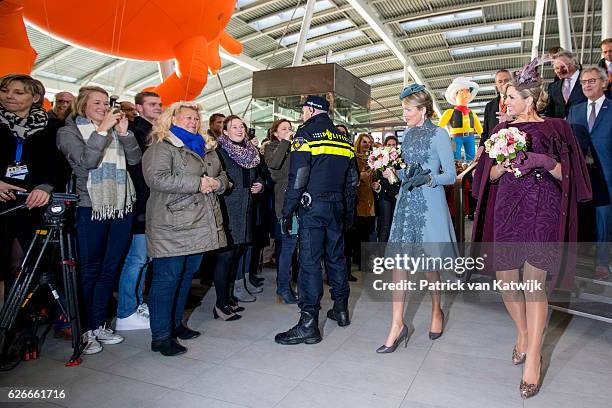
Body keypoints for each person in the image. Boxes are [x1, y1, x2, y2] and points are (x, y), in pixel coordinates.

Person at [471, 60, 591, 398]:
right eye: (504, 96)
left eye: (510, 96)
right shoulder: (498, 132)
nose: (504, 103)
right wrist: (505, 166)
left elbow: (570, 174)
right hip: (508, 208)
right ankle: (522, 332)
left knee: (534, 283)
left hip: (544, 208)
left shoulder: (557, 129)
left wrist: (543, 161)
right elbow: (486, 177)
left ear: (530, 99)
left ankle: (533, 357)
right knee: (506, 279)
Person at [57, 86, 142, 354]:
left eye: (106, 103)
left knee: (110, 268)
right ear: (82, 105)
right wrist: (103, 130)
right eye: (97, 102)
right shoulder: (68, 131)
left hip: (120, 206)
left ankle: (99, 324)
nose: (103, 107)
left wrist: (125, 133)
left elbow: (135, 158)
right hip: (90, 207)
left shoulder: (116, 130)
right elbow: (86, 163)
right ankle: (83, 329)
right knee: (90, 269)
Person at [142, 101, 228, 356]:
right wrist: (197, 183)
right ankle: (160, 335)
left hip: (200, 223)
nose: (193, 121)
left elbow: (223, 176)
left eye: (195, 118)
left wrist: (217, 183)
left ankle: (176, 324)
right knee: (167, 279)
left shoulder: (205, 147)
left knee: (185, 276)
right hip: (172, 223)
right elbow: (156, 178)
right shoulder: (162, 146)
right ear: (172, 120)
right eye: (187, 117)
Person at [377, 84, 456, 353]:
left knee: (427, 264)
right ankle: (397, 324)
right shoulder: (408, 135)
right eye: (404, 109)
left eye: (408, 110)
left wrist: (431, 178)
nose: (404, 114)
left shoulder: (439, 135)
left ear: (423, 110)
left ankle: (437, 309)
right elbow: (409, 169)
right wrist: (395, 175)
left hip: (429, 203)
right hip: (406, 201)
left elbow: (451, 175)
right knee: (399, 262)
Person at [274, 95, 358, 345]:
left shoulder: (305, 135)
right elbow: (352, 181)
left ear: (310, 110)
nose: (301, 115)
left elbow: (299, 176)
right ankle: (340, 310)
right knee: (336, 258)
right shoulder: (343, 139)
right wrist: (348, 211)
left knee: (310, 262)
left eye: (303, 110)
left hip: (312, 207)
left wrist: (287, 211)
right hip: (337, 207)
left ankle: (308, 324)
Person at [0, 74, 64, 298]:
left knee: (23, 265)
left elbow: (58, 164)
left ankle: (16, 327)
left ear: (35, 96)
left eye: (18, 92)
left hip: (30, 204)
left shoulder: (51, 126)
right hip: (1, 200)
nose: (9, 96)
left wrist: (45, 186)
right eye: (5, 90)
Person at [115, 91, 162, 331]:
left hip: (151, 204)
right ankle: (125, 311)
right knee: (136, 259)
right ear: (139, 107)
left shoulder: (155, 132)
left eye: (160, 104)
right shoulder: (135, 132)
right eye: (153, 104)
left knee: (144, 259)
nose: (158, 107)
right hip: (140, 204)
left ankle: (136, 304)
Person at [212, 115, 264, 318]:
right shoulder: (219, 152)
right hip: (227, 209)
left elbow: (258, 175)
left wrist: (261, 184)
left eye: (241, 126)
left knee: (236, 257)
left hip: (246, 209)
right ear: (225, 131)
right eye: (234, 127)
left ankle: (228, 298)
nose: (239, 129)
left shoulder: (251, 153)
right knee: (225, 257)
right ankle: (220, 304)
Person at [567, 67, 612, 279]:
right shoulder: (574, 111)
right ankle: (575, 262)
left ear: (604, 83)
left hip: (606, 174)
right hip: (581, 175)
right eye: (583, 82)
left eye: (592, 81)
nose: (586, 85)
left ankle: (602, 262)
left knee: (604, 219)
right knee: (579, 218)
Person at [264, 119, 299, 304]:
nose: (288, 131)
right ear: (275, 133)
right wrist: (285, 141)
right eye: (283, 129)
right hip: (284, 203)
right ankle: (283, 287)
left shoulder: (296, 147)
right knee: (287, 246)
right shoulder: (272, 147)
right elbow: (274, 165)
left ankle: (293, 283)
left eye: (290, 128)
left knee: (295, 246)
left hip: (299, 201)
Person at [438, 77, 483, 161]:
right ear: (456, 94)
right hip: (454, 138)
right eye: (463, 91)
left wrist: (485, 139)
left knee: (471, 157)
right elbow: (439, 127)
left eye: (468, 91)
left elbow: (480, 130)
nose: (466, 94)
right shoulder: (449, 112)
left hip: (470, 137)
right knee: (453, 157)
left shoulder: (472, 113)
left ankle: (469, 172)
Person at [477, 69, 512, 159]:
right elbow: (485, 131)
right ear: (496, 85)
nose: (503, 83)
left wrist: (513, 119)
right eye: (500, 81)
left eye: (506, 80)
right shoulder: (489, 106)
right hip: (494, 151)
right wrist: (481, 147)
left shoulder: (520, 100)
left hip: (514, 148)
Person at [354, 133, 376, 272]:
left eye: (369, 142)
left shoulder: (373, 160)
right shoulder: (354, 159)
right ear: (359, 143)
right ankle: (359, 261)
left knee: (368, 232)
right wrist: (359, 177)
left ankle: (364, 260)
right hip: (358, 200)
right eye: (364, 142)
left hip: (371, 200)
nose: (367, 144)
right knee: (359, 233)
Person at [373, 135, 400, 243]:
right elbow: (381, 180)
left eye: (393, 145)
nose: (391, 147)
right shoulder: (380, 160)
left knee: (396, 226)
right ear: (384, 146)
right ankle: (382, 254)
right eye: (389, 145)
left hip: (398, 197)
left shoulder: (400, 160)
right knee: (385, 226)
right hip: (385, 197)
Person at [545, 50, 587, 118]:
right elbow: (550, 111)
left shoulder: (588, 80)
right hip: (561, 127)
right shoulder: (553, 87)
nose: (559, 71)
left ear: (574, 63)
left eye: (563, 66)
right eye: (556, 68)